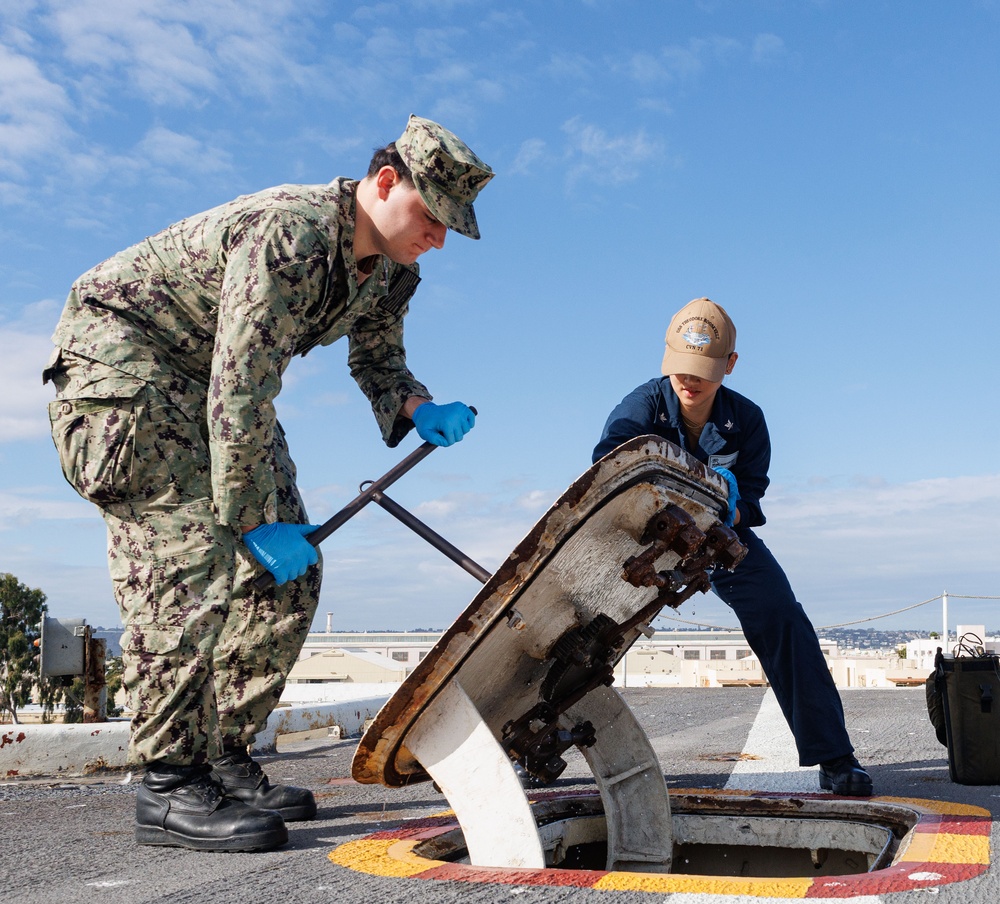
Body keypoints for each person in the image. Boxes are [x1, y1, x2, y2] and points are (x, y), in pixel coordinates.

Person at [43, 115, 494, 851]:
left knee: (294, 571)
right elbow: (242, 377)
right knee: (187, 565)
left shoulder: (393, 272)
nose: (438, 237)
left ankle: (223, 754)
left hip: (210, 388)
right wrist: (250, 520)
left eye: (451, 228)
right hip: (125, 366)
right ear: (385, 183)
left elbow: (376, 362)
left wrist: (416, 406)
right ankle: (167, 784)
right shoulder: (291, 233)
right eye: (431, 216)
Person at [593, 297, 873, 796]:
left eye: (702, 370)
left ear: (730, 365)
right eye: (680, 368)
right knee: (575, 627)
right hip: (639, 535)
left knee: (782, 616)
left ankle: (835, 756)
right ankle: (530, 745)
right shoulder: (639, 407)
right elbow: (607, 470)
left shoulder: (748, 419)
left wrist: (731, 506)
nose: (689, 380)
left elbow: (752, 504)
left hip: (719, 537)